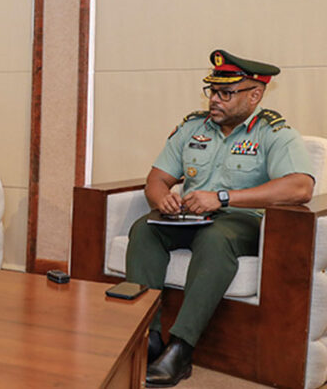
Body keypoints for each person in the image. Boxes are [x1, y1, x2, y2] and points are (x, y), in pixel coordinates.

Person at [126, 50, 314, 388]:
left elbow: (300, 186)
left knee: (214, 238)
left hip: (241, 221)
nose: (214, 99)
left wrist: (223, 197)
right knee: (144, 229)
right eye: (212, 91)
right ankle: (148, 339)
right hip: (189, 217)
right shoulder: (192, 128)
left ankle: (181, 348)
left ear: (255, 95)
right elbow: (156, 179)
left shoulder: (274, 133)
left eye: (226, 93)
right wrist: (162, 198)